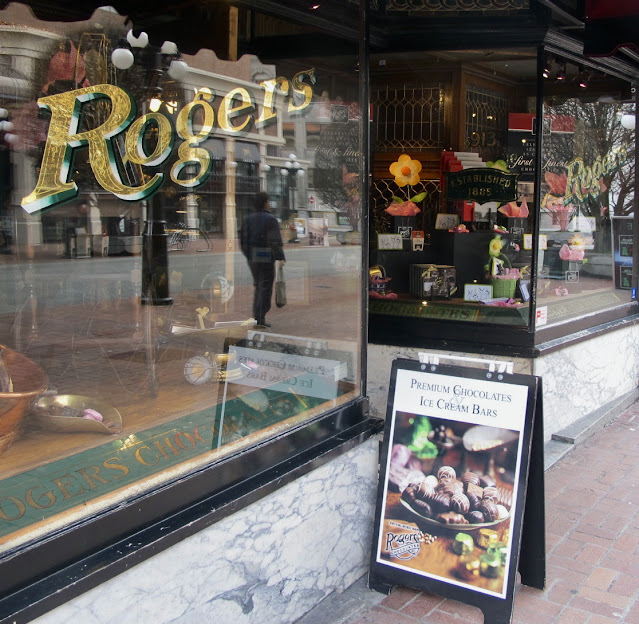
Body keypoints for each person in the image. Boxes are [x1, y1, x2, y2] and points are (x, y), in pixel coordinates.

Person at [240, 192, 286, 329]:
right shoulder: (270, 219)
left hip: (253, 257)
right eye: (268, 201)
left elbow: (243, 240)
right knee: (265, 286)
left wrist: (248, 255)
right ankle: (260, 316)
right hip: (266, 256)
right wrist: (280, 257)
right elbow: (275, 240)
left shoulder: (248, 219)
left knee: (259, 285)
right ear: (265, 203)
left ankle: (258, 315)